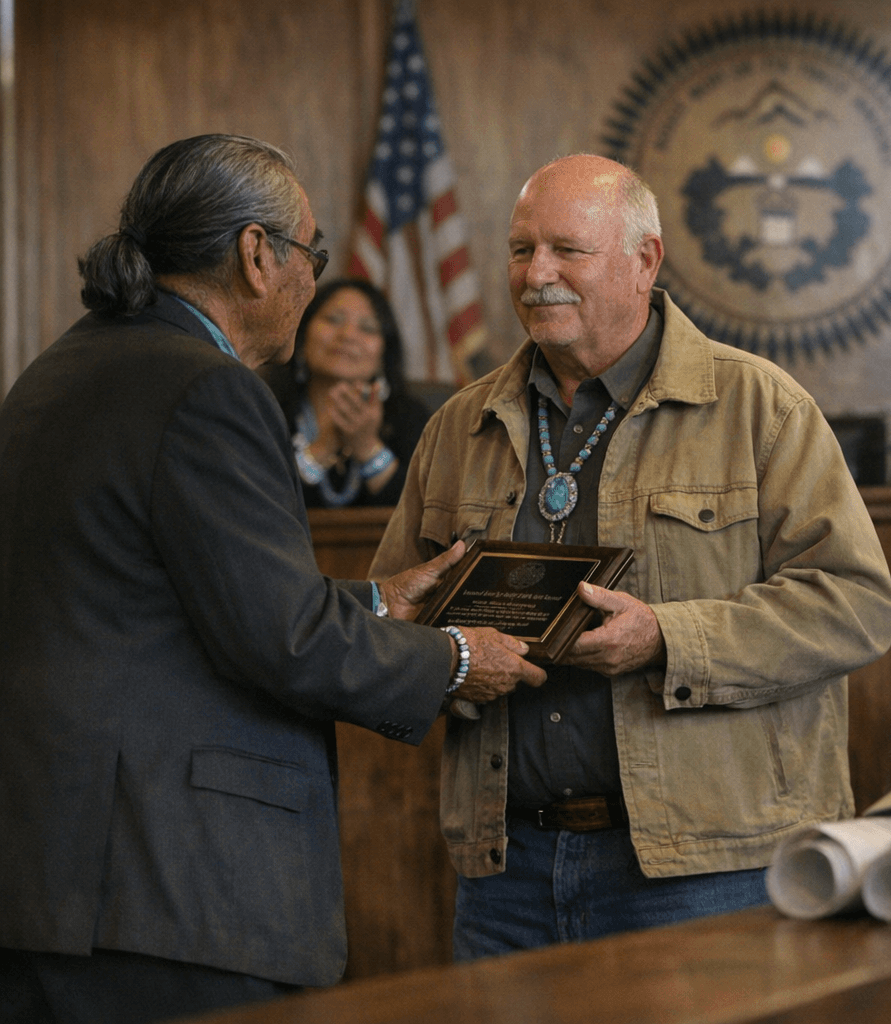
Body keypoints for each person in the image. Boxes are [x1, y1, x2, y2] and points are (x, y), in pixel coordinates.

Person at [0, 135, 543, 1024]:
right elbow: (282, 640)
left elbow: (176, 599)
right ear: (258, 255)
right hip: (167, 894)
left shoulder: (58, 371)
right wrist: (450, 658)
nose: (313, 283)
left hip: (60, 885)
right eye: (313, 256)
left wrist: (377, 600)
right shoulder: (208, 388)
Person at [368, 154, 891, 956]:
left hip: (708, 869)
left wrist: (667, 639)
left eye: (565, 251)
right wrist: (449, 657)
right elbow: (391, 613)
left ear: (644, 260)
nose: (536, 274)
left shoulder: (761, 407)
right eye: (519, 250)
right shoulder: (457, 427)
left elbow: (856, 606)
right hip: (506, 870)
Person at [265, 278, 432, 507]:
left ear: (384, 355)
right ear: (301, 338)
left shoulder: (410, 418)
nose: (348, 335)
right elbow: (253, 507)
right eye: (333, 320)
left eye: (368, 328)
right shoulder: (265, 409)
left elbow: (429, 513)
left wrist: (367, 447)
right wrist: (321, 447)